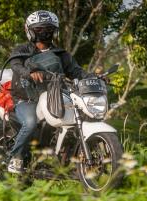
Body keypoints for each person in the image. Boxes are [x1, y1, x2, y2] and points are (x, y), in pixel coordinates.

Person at [7, 10, 94, 174]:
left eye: (48, 29)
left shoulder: (61, 54)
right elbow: (16, 66)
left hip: (55, 97)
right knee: (31, 123)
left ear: (55, 31)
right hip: (26, 99)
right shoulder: (22, 51)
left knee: (78, 119)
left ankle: (64, 159)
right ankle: (15, 157)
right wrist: (30, 73)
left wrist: (95, 77)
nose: (44, 33)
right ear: (30, 31)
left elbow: (76, 71)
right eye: (39, 30)